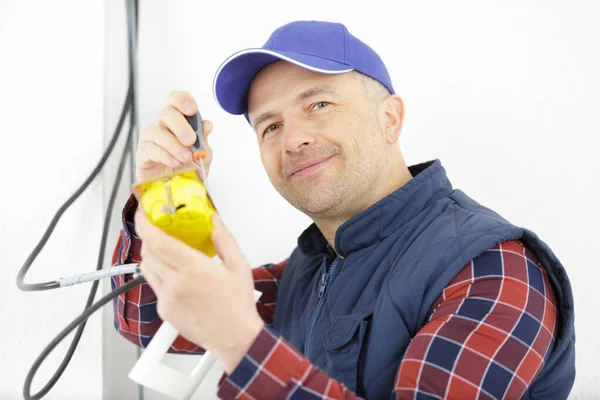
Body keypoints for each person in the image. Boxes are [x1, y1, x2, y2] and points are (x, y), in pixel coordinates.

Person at [111, 20, 575, 399]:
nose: (292, 140)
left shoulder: (492, 270)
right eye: (270, 126)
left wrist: (241, 343)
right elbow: (150, 316)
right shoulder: (307, 270)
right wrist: (171, 194)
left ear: (390, 118)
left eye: (319, 103)